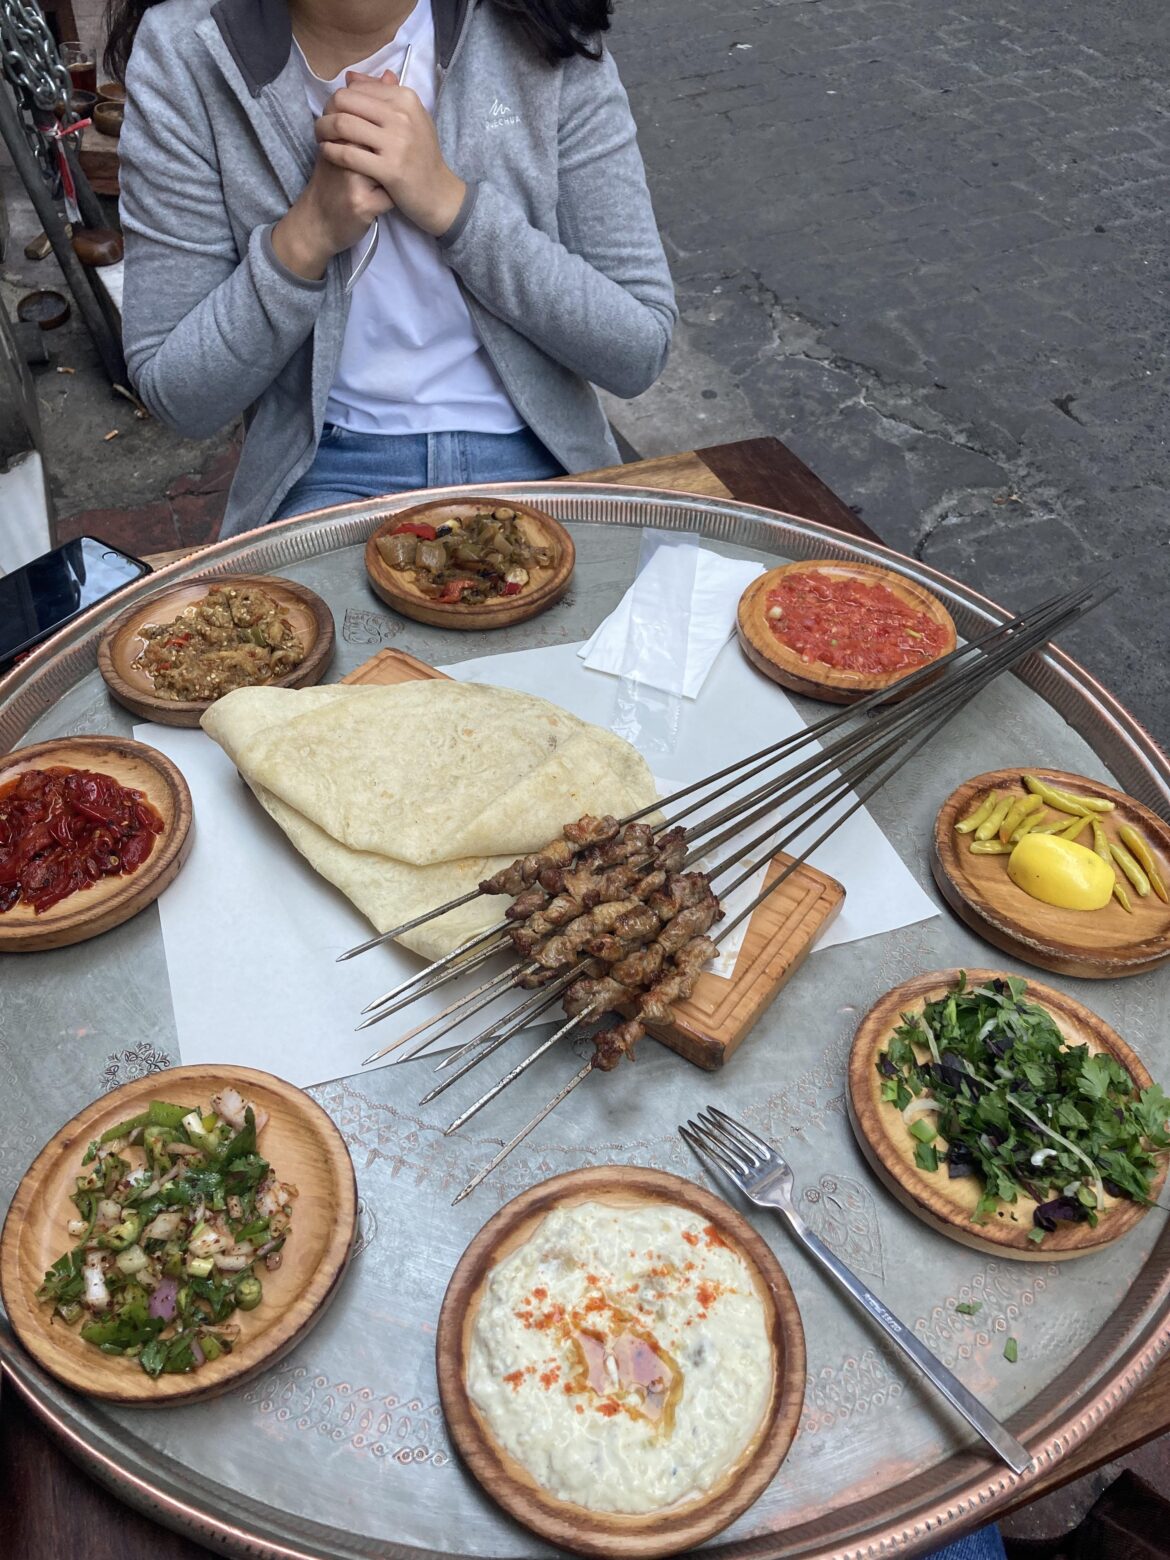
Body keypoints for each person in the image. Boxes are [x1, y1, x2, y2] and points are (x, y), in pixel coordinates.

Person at [106, 0, 676, 535]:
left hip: (543, 458)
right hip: (326, 471)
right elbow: (179, 395)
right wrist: (307, 236)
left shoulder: (537, 21)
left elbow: (637, 348)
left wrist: (452, 208)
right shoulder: (188, 49)